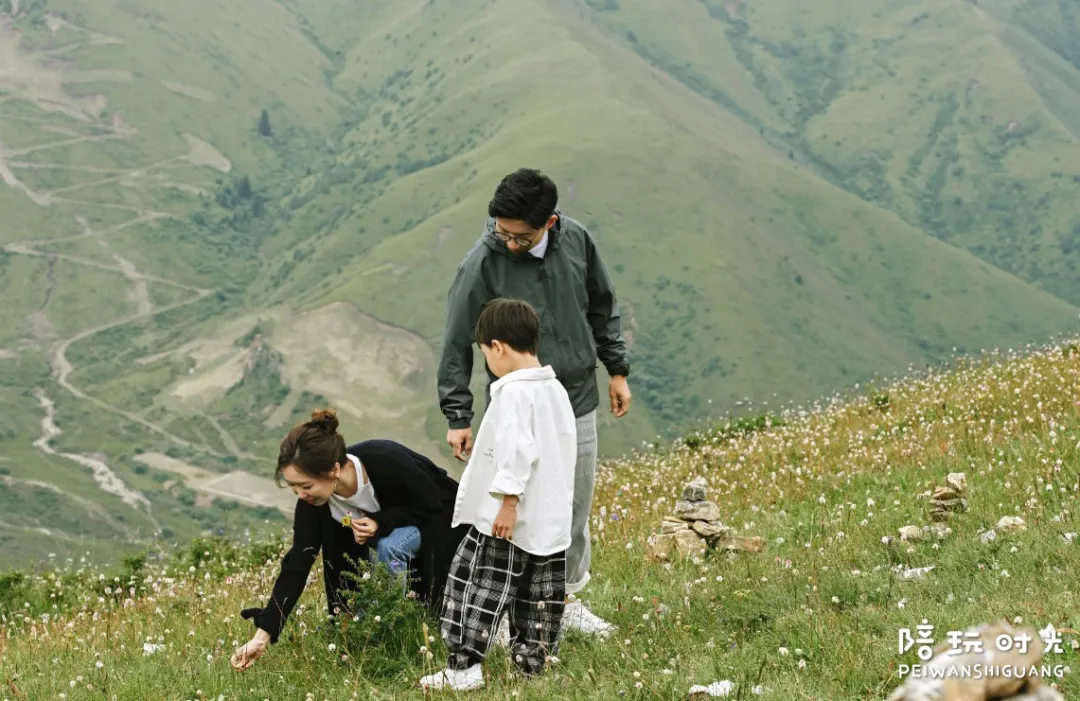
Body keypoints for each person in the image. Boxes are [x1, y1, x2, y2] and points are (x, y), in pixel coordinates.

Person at [437, 167, 631, 637]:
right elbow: (456, 340)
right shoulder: (482, 263)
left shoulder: (577, 241)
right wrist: (458, 415)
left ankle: (565, 598)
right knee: (510, 509)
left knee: (571, 505)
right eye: (500, 231)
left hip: (576, 399)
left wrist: (617, 370)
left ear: (549, 222)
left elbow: (601, 304)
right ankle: (506, 611)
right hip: (517, 405)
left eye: (518, 236)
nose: (507, 242)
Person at [230, 409, 468, 672]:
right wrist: (261, 636)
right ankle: (369, 635)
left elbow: (432, 504)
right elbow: (297, 563)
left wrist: (381, 522)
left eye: (306, 486)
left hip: (443, 522)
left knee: (389, 545)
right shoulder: (312, 505)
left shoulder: (385, 459)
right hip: (398, 534)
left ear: (333, 470)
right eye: (293, 487)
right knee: (354, 605)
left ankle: (392, 628)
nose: (300, 494)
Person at [421, 298, 576, 691]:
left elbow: (518, 451)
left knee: (474, 583)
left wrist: (507, 504)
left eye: (485, 353)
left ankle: (464, 668)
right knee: (538, 596)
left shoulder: (512, 393)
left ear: (498, 347)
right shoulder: (554, 388)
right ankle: (532, 667)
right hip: (548, 518)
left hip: (507, 518)